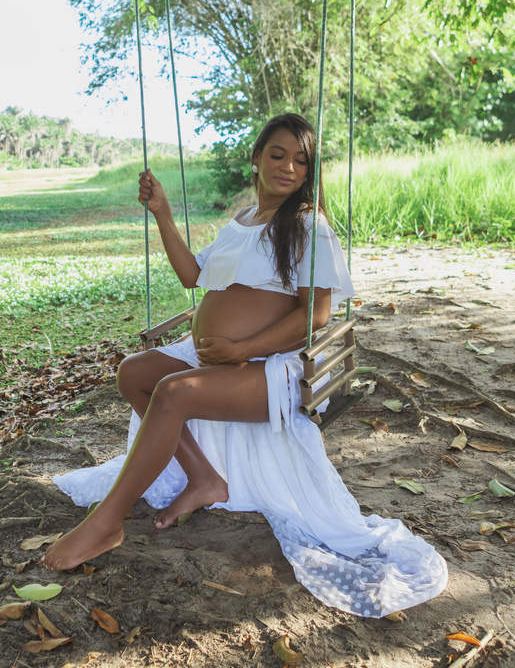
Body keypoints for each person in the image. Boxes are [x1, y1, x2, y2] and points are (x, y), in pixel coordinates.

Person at [44, 113, 448, 618]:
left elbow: (316, 315)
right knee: (134, 372)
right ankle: (204, 479)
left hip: (270, 369)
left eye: (301, 161)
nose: (288, 167)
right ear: (255, 159)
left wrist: (241, 349)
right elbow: (193, 275)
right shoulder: (240, 222)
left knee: (173, 392)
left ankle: (108, 522)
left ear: (308, 173)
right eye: (277, 155)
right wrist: (163, 214)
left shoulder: (307, 226)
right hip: (218, 359)